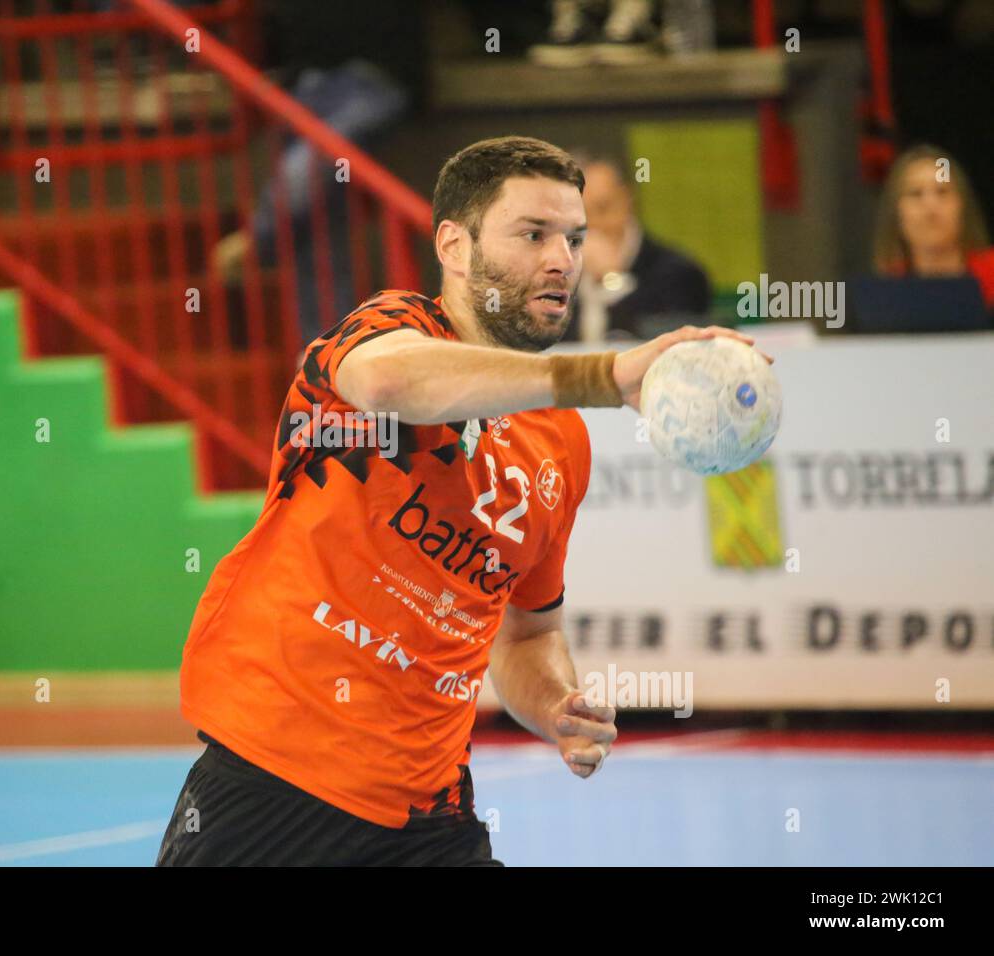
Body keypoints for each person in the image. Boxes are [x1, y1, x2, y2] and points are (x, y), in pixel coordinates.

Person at [156, 136, 768, 866]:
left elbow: (526, 634)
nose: (562, 261)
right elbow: (392, 384)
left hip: (428, 813)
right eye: (533, 234)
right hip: (272, 781)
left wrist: (554, 704)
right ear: (454, 243)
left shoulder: (559, 443)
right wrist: (603, 377)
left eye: (574, 239)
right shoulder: (381, 334)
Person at [560, 155, 711, 342]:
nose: (591, 227)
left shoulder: (679, 274)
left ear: (627, 200)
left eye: (602, 208)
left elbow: (655, 344)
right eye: (577, 216)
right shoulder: (559, 276)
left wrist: (611, 278)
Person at [872, 144, 994, 311]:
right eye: (915, 193)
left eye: (942, 192)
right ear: (897, 214)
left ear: (962, 206)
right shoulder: (883, 293)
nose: (931, 206)